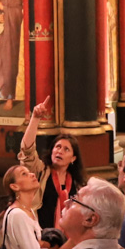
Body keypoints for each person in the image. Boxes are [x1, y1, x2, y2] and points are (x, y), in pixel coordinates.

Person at [19, 96, 88, 229]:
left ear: (73, 158)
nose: (60, 151)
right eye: (57, 147)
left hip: (68, 235)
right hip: (41, 234)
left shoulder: (77, 183)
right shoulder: (40, 172)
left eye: (66, 149)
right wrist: (35, 118)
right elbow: (27, 151)